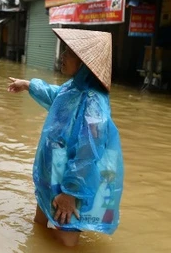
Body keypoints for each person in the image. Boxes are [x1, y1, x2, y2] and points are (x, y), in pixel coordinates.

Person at [7, 28, 124, 247]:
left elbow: (87, 153)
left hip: (70, 184)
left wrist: (70, 194)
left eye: (68, 53)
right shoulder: (73, 88)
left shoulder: (93, 103)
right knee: (39, 229)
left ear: (83, 63)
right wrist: (29, 85)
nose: (62, 56)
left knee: (65, 242)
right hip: (52, 176)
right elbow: (55, 95)